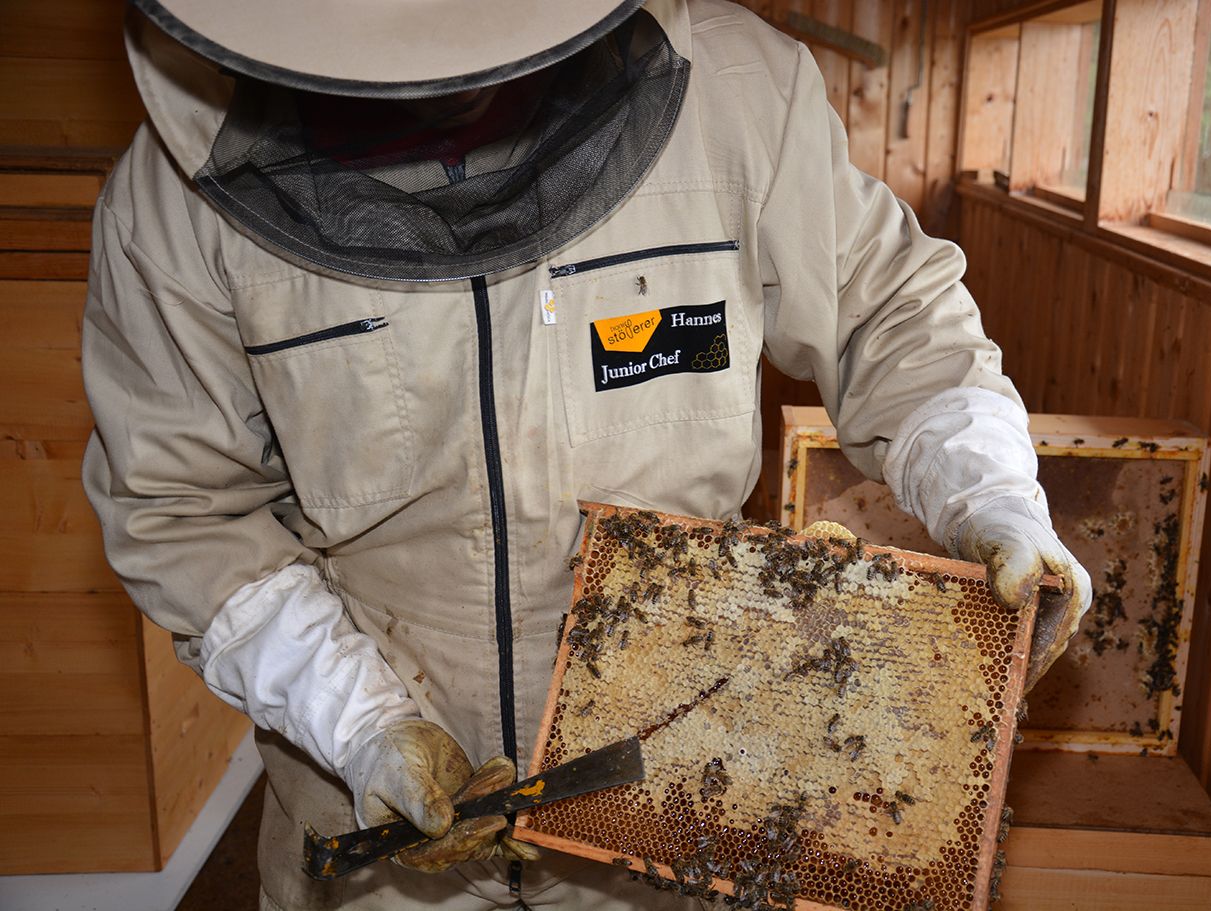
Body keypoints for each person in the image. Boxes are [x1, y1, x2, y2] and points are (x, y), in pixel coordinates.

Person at [82, 1, 1092, 908]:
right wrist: (361, 724)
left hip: (673, 800)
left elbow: (893, 316)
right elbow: (183, 509)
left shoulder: (743, 96)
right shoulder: (170, 205)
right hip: (373, 839)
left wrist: (989, 494)